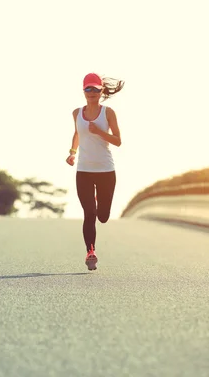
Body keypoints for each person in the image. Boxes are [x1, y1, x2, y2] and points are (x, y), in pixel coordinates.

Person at [66, 72, 124, 270]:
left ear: (101, 91)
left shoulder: (108, 113)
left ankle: (100, 200)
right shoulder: (76, 113)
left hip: (106, 171)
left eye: (95, 89)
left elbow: (118, 141)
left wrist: (99, 132)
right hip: (83, 170)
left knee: (103, 216)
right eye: (88, 89)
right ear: (83, 91)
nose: (92, 92)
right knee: (89, 213)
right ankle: (90, 251)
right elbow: (77, 133)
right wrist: (72, 153)